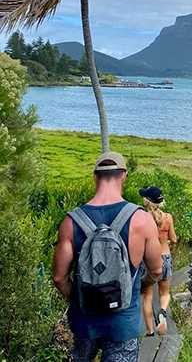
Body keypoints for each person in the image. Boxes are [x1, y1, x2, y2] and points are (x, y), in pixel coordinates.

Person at [52, 152, 162, 362]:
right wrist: (140, 285)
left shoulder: (71, 221)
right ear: (124, 176)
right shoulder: (141, 219)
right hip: (123, 322)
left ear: (95, 177)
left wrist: (79, 298)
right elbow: (157, 270)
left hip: (85, 321)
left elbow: (59, 278)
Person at [139, 186, 177, 337]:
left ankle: (150, 331)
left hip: (148, 260)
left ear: (147, 201)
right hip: (165, 257)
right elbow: (173, 239)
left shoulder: (143, 218)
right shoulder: (168, 218)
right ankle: (162, 313)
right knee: (165, 293)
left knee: (147, 296)